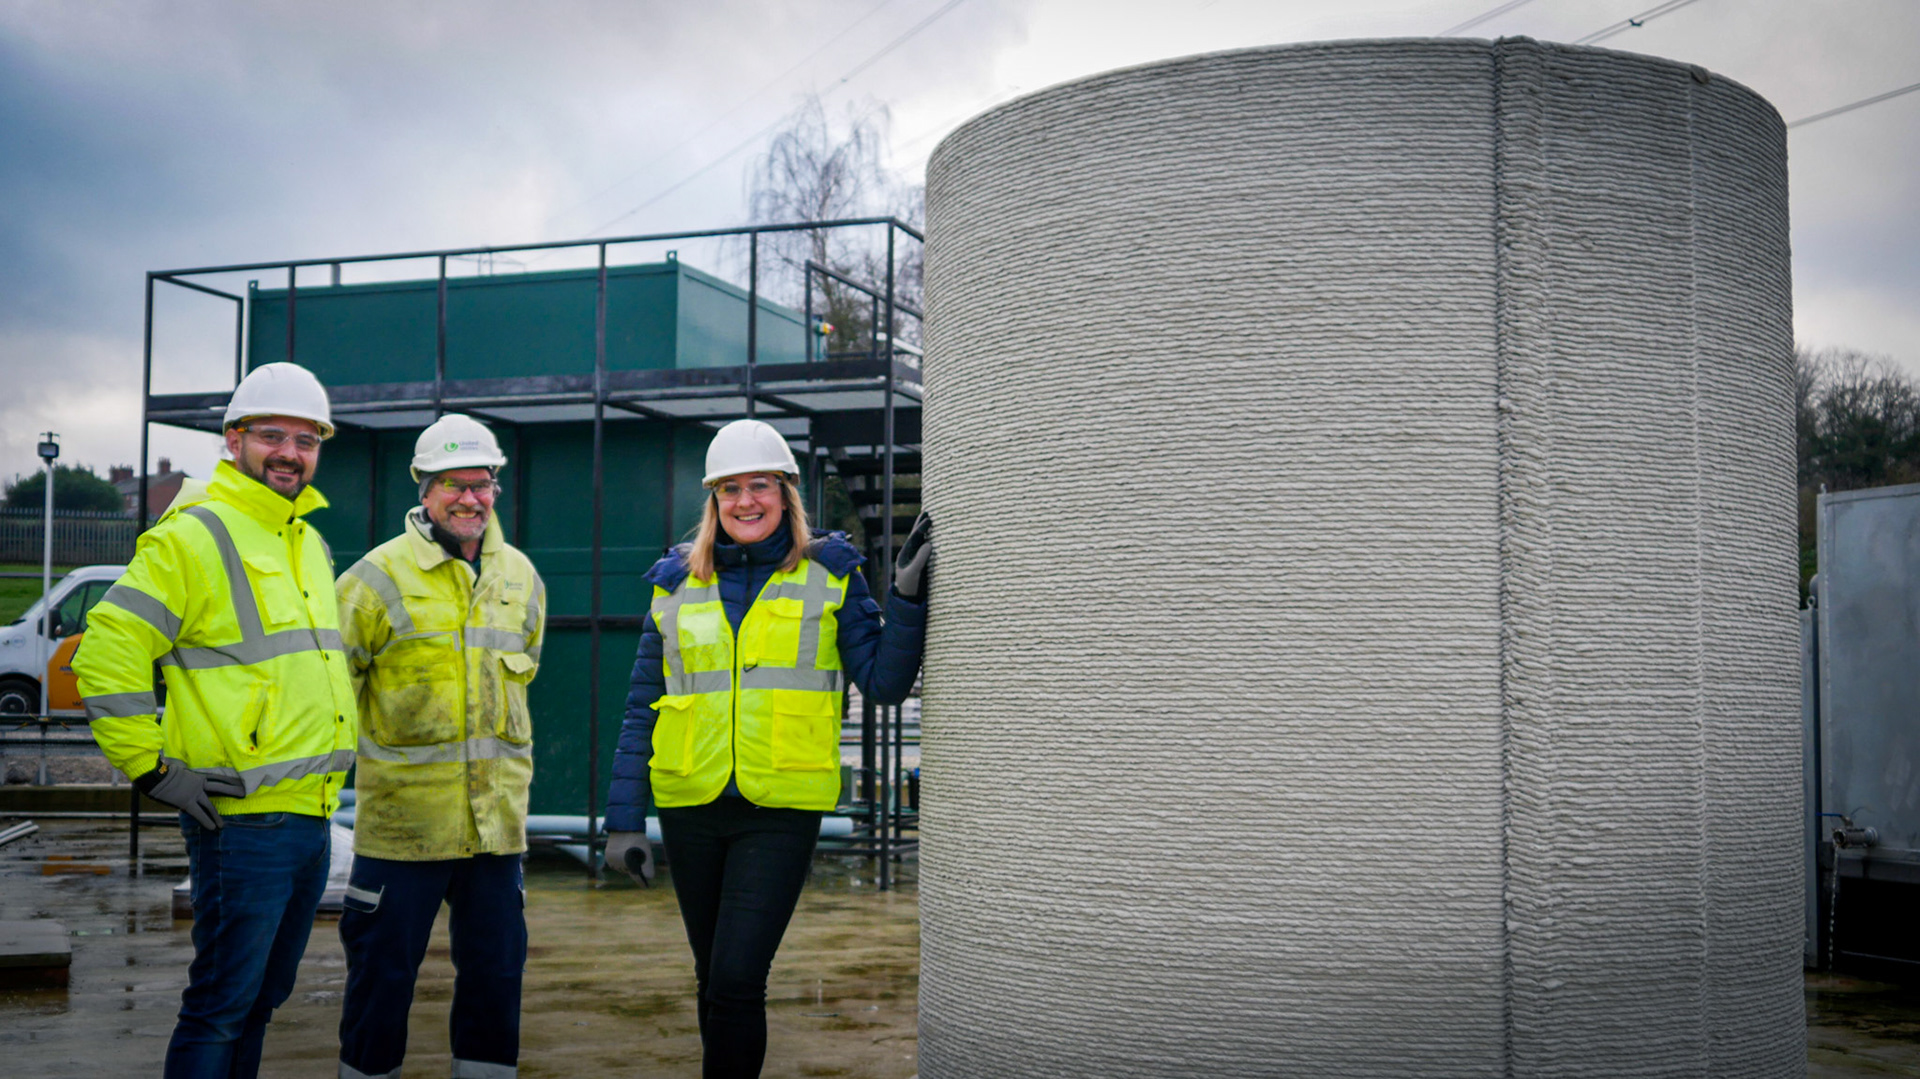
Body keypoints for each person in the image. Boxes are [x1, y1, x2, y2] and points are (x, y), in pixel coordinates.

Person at [602, 418, 932, 1079]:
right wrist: (624, 821)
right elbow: (641, 708)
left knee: (735, 978)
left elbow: (885, 683)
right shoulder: (674, 582)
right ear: (714, 500)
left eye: (760, 485)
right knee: (712, 977)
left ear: (785, 493)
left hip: (780, 808)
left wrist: (905, 597)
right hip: (690, 803)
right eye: (730, 489)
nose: (745, 501)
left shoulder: (832, 574)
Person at [75, 361, 357, 1079]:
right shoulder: (193, 535)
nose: (290, 453)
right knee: (221, 1006)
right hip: (241, 822)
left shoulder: (308, 545)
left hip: (310, 816)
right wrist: (150, 766)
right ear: (234, 440)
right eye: (272, 436)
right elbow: (107, 649)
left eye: (306, 439)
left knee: (261, 1000)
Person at [332, 413, 546, 1079]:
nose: (469, 498)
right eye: (453, 484)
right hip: (403, 833)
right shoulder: (373, 581)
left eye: (481, 484)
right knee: (380, 984)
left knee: (495, 983)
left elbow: (526, 670)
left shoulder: (520, 577)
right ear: (423, 489)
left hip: (495, 832)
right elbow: (333, 698)